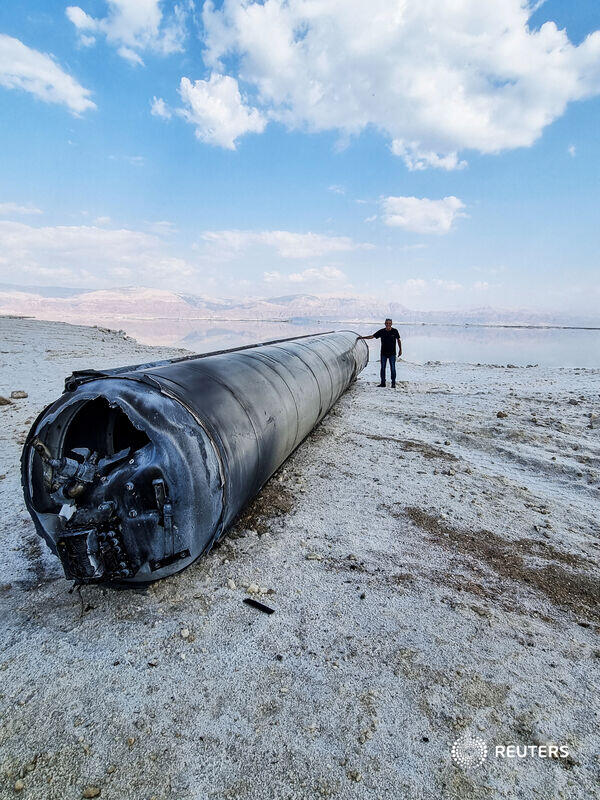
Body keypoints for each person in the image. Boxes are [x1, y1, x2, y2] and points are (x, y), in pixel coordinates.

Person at [360, 319, 402, 388]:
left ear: (391, 324)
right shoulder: (382, 331)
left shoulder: (395, 331)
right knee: (382, 368)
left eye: (389, 323)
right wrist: (362, 338)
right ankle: (383, 383)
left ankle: (393, 383)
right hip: (383, 353)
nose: (388, 324)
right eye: (387, 323)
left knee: (393, 368)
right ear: (385, 324)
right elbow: (372, 336)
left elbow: (398, 340)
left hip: (392, 353)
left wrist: (400, 350)